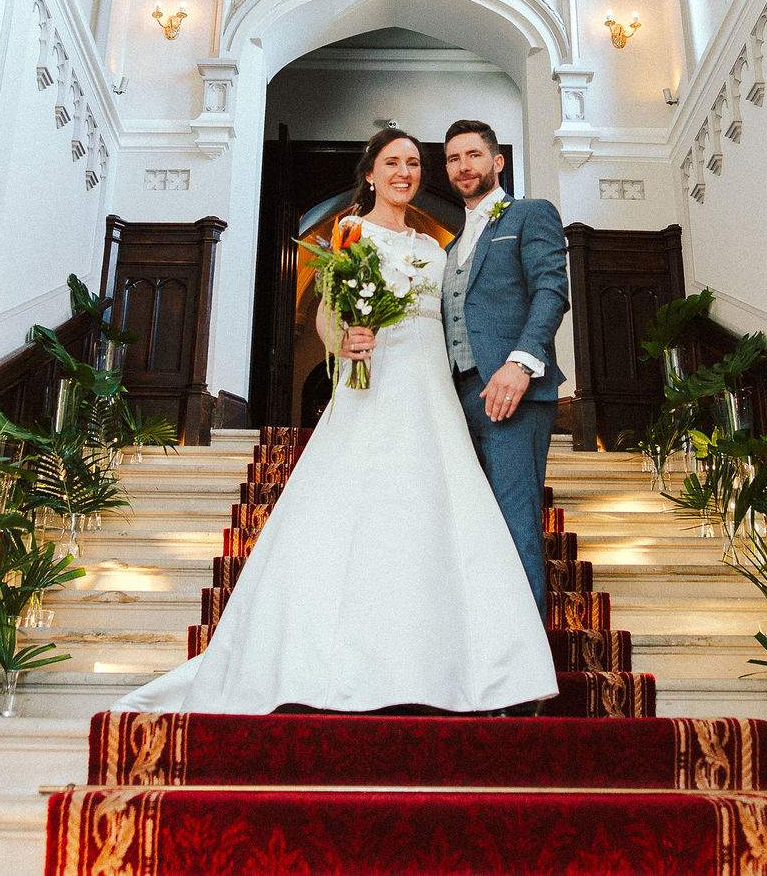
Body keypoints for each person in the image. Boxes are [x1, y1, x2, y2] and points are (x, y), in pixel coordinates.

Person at [111, 127, 556, 715]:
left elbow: (472, 309)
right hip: (373, 386)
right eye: (393, 163)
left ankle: (487, 667)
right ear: (370, 173)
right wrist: (341, 339)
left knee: (447, 511)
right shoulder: (347, 235)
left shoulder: (434, 247)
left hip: (437, 390)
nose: (407, 172)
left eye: (416, 163)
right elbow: (326, 308)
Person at [437, 118, 571, 610]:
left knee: (515, 521)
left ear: (498, 162)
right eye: (453, 158)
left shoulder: (530, 214)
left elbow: (551, 291)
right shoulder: (450, 246)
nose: (463, 166)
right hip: (455, 397)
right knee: (474, 528)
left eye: (473, 155)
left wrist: (520, 364)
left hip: (513, 393)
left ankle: (525, 672)